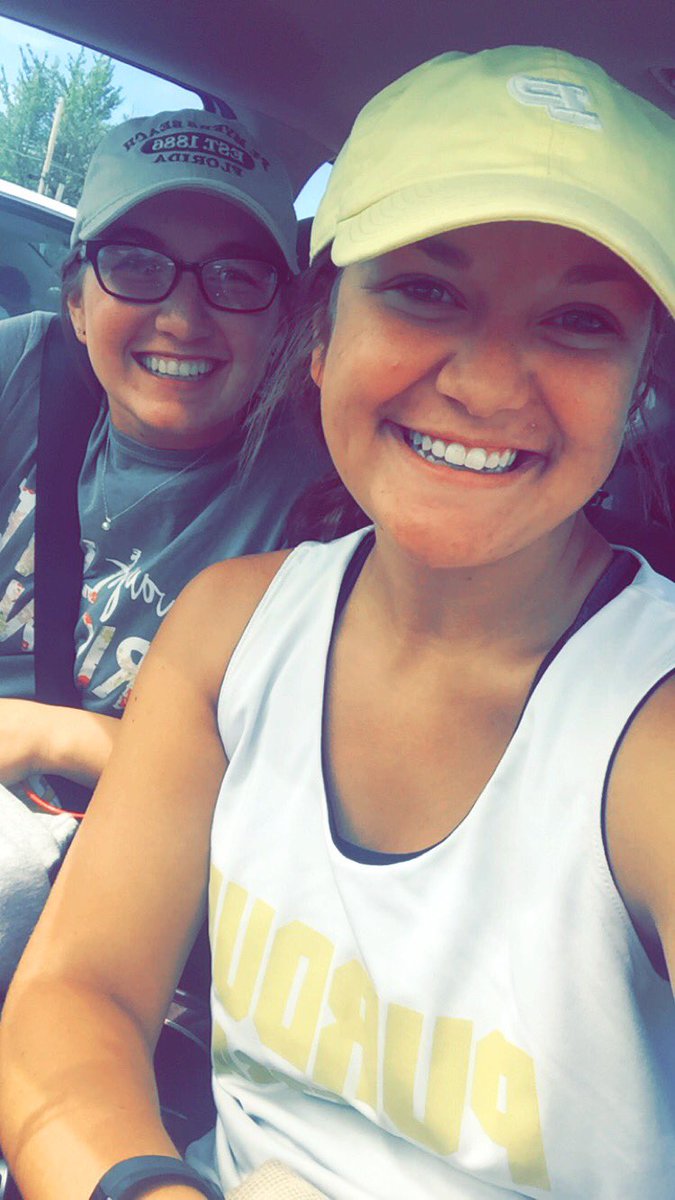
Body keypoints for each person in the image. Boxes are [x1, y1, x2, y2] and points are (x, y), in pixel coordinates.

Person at [1, 45, 674, 1200]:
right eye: (426, 290)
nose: (487, 384)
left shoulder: (647, 726)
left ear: (639, 389)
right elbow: (78, 996)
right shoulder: (230, 629)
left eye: (578, 321)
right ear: (323, 331)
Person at [0, 107, 326, 993]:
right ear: (77, 300)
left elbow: (287, 804)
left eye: (236, 276)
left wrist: (52, 733)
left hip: (119, 872)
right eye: (137, 265)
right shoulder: (24, 374)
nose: (182, 317)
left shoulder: (323, 505)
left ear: (285, 321)